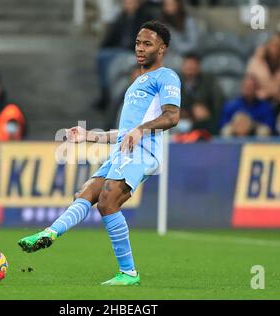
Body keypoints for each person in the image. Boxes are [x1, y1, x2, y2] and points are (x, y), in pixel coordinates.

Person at [18, 20, 181, 286]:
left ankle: (129, 273)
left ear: (161, 49)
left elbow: (172, 116)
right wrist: (90, 136)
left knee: (107, 201)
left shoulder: (166, 77)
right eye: (138, 43)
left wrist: (140, 129)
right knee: (86, 193)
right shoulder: (136, 84)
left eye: (147, 44)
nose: (140, 49)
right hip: (123, 150)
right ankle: (49, 233)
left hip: (142, 153)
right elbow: (125, 132)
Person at [179, 52, 224, 135]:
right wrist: (191, 111)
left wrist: (208, 112)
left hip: (205, 122)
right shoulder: (174, 81)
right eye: (187, 64)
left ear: (198, 67)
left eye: (192, 64)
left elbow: (219, 100)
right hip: (181, 120)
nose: (189, 67)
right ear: (182, 66)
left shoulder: (209, 81)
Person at [246, 33, 280, 102]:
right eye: (273, 44)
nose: (275, 48)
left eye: (278, 45)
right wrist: (257, 93)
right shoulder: (256, 61)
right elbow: (249, 82)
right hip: (258, 100)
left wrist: (272, 93)